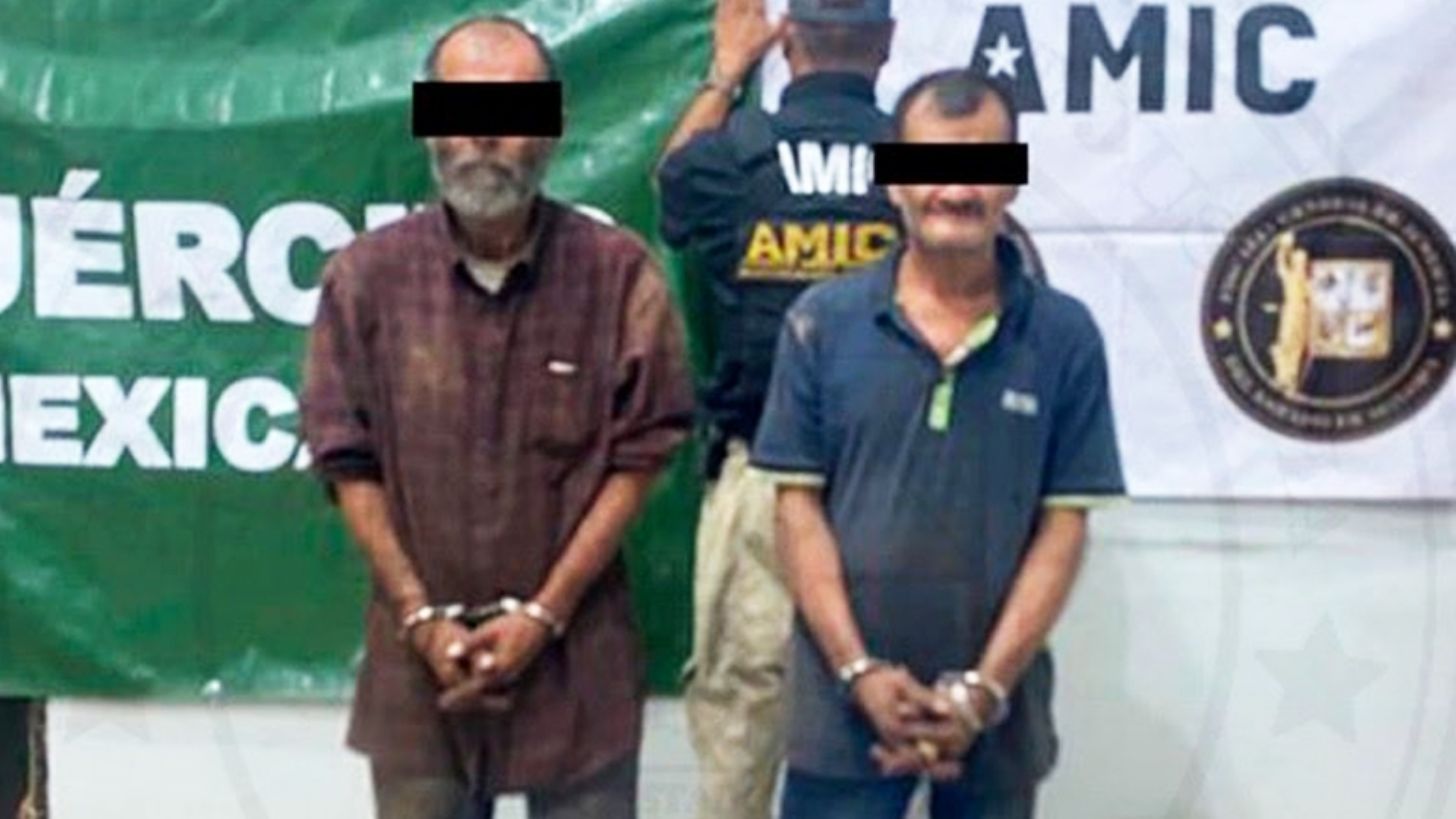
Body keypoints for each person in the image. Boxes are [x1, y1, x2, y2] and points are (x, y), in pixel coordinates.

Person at [301, 16, 694, 819]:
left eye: (510, 110)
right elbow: (345, 458)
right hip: (419, 664)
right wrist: (420, 617)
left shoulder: (618, 275)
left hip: (577, 661)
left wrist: (543, 615)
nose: (484, 133)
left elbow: (643, 454)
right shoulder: (367, 279)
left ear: (550, 127)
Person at [752, 68, 1125, 818]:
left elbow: (1063, 526)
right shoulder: (821, 322)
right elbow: (797, 514)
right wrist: (858, 671)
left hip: (996, 717)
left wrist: (981, 691)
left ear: (1012, 179)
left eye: (981, 163)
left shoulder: (1064, 335)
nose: (956, 189)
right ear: (893, 179)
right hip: (840, 714)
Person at [655, 1, 898, 815]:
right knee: (890, 714)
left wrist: (727, 72)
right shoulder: (926, 156)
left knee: (740, 710)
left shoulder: (732, 154)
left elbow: (669, 189)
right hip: (891, 481)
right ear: (887, 43)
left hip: (761, 466)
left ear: (787, 39)